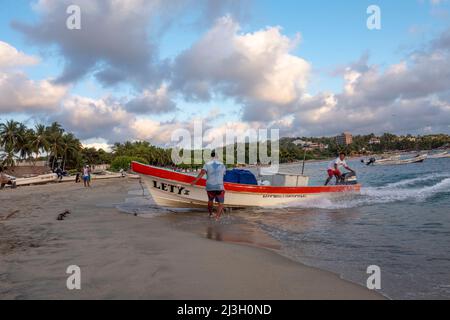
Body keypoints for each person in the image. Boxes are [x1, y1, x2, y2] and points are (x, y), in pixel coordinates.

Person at [191, 150, 226, 220]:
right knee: (221, 203)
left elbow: (202, 173)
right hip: (219, 186)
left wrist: (194, 182)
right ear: (217, 156)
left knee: (210, 200)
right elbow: (223, 175)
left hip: (210, 186)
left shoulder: (207, 164)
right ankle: (217, 218)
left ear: (211, 156)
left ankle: (210, 214)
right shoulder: (222, 165)